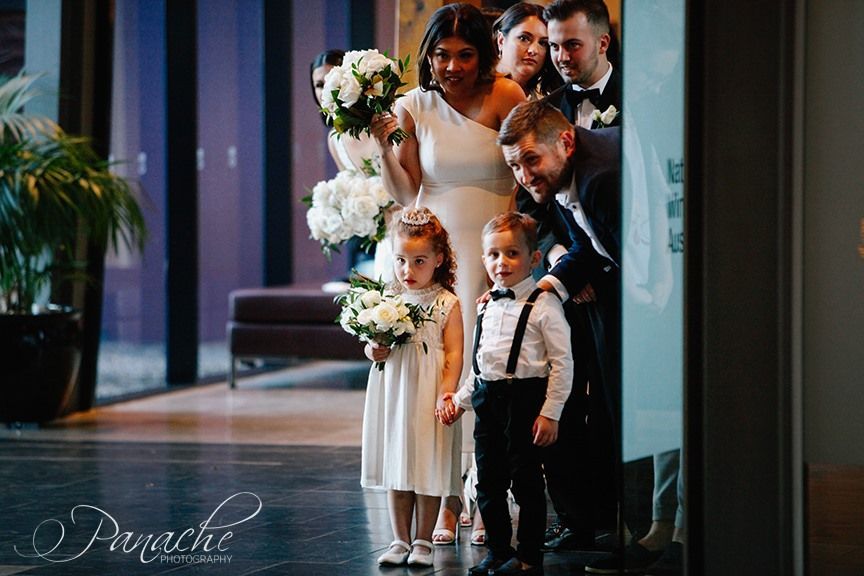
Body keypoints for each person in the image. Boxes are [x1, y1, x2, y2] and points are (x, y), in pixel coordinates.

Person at [370, 2, 526, 547]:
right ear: (427, 57)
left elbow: (527, 172)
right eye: (441, 55)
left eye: (464, 55)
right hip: (441, 255)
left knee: (491, 368)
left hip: (496, 250)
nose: (452, 66)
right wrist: (383, 139)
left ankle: (490, 497)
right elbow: (402, 189)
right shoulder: (414, 106)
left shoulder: (506, 95)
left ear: (483, 55)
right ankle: (448, 496)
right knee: (444, 373)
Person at [498, 99, 622, 554]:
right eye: (514, 165)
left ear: (565, 141)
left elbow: (640, 263)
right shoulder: (565, 177)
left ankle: (650, 534)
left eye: (531, 159)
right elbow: (588, 249)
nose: (525, 176)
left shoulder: (599, 179)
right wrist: (544, 288)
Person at [441, 211, 573, 576]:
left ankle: (530, 556)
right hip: (488, 400)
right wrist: (461, 399)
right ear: (483, 259)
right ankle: (498, 552)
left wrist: (551, 412)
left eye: (512, 253)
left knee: (527, 483)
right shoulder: (485, 305)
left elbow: (563, 364)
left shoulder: (545, 306)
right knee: (489, 481)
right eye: (494, 255)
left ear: (533, 259)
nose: (501, 263)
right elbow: (482, 365)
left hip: (527, 401)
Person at [360, 207, 463, 568]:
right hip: (394, 390)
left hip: (428, 392)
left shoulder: (446, 303)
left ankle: (423, 540)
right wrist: (373, 348)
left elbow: (453, 354)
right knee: (397, 462)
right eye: (401, 260)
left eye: (419, 261)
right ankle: (399, 539)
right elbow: (371, 342)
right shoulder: (388, 299)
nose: (408, 271)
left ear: (438, 259)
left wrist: (446, 393)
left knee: (427, 462)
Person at [311, 49, 393, 281]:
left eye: (332, 80)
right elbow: (353, 187)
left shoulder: (387, 120)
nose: (326, 89)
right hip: (383, 236)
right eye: (319, 84)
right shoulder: (334, 140)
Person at [545, 0, 621, 129]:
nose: (562, 57)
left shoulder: (635, 102)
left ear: (603, 44)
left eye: (573, 45)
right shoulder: (546, 109)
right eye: (554, 46)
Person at [493, 3, 562, 99]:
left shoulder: (549, 98)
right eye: (524, 38)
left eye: (542, 43)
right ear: (501, 40)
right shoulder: (476, 87)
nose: (533, 50)